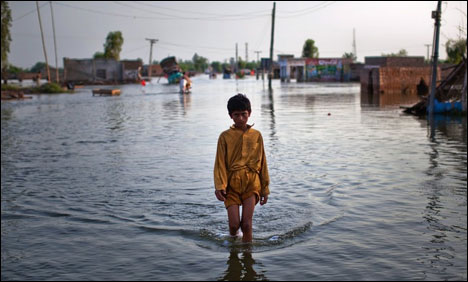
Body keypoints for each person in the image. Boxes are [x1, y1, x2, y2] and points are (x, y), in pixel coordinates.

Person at [213, 93, 270, 243]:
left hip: (252, 183)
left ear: (249, 114)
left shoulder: (257, 135)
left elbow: (262, 161)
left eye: (244, 114)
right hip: (231, 185)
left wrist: (265, 188)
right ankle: (233, 246)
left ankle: (248, 257)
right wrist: (220, 186)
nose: (240, 118)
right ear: (230, 116)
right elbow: (220, 163)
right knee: (233, 225)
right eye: (236, 115)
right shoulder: (224, 137)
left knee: (246, 224)